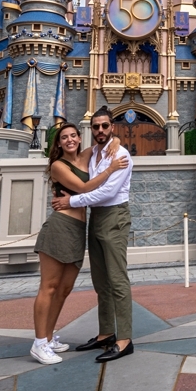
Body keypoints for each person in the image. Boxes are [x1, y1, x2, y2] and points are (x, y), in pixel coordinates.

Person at [28, 123, 127, 366]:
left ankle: (49, 338)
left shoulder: (85, 155)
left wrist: (115, 142)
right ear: (58, 143)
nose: (70, 140)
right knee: (49, 287)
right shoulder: (58, 166)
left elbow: (104, 143)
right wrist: (111, 169)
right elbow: (83, 188)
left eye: (73, 135)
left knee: (64, 289)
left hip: (78, 230)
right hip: (60, 227)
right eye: (64, 137)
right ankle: (39, 342)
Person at [52, 106, 135, 363]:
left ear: (112, 127)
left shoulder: (119, 154)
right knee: (101, 280)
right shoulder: (96, 152)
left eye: (105, 126)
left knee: (117, 279)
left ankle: (125, 339)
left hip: (114, 216)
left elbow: (107, 193)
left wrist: (72, 202)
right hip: (96, 217)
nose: (100, 130)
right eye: (96, 127)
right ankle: (106, 333)